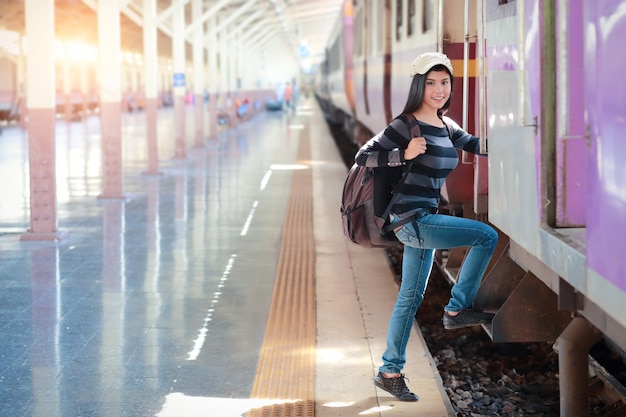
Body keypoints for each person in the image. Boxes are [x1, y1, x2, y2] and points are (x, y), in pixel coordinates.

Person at [354, 52, 499, 402]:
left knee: (410, 298)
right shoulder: (405, 126)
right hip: (413, 221)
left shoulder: (446, 126)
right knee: (486, 235)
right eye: (431, 83)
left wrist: (518, 142)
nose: (439, 90)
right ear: (419, 85)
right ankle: (457, 308)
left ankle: (389, 371)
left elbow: (476, 145)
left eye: (445, 82)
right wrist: (402, 154)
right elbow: (363, 156)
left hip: (421, 220)